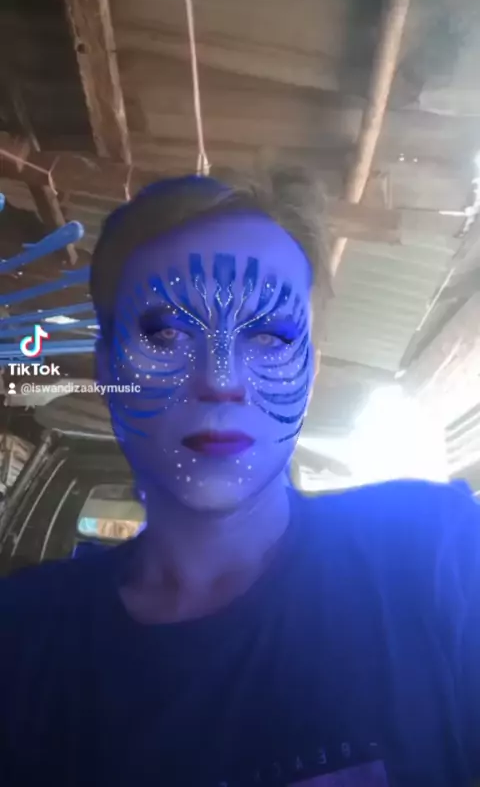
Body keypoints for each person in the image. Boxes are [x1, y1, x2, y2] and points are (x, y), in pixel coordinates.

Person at [1, 174, 479, 787]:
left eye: (271, 336)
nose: (221, 379)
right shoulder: (20, 641)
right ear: (107, 368)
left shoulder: (439, 560)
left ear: (312, 371)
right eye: (166, 334)